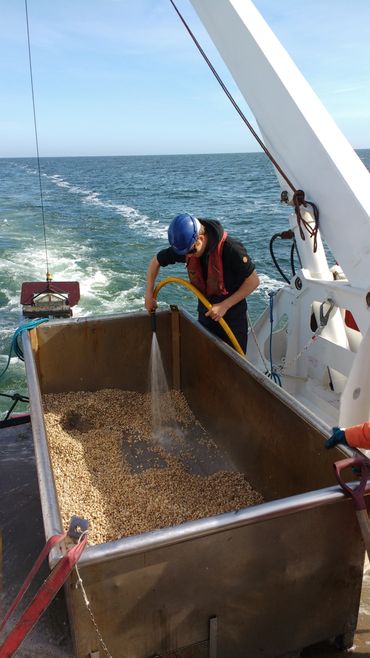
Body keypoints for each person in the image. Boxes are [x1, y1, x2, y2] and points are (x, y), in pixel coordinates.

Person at [145, 213, 260, 353]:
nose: (189, 256)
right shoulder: (188, 247)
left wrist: (225, 305)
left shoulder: (231, 249)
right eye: (186, 253)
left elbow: (253, 281)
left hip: (231, 321)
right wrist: (149, 293)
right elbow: (155, 262)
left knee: (232, 367)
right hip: (205, 317)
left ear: (200, 238)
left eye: (192, 251)